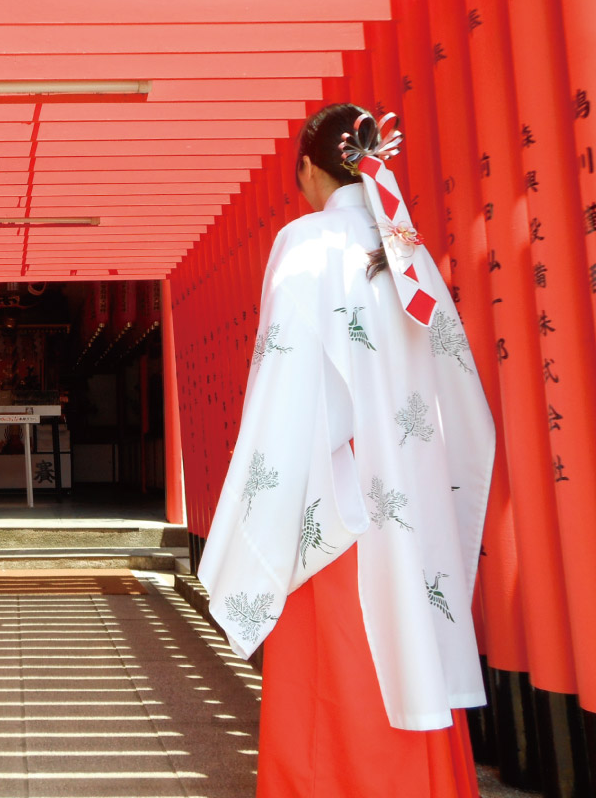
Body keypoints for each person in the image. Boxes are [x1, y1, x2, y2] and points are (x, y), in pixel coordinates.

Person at [196, 104, 495, 798]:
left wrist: (257, 511)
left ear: (307, 167)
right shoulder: (407, 249)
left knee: (336, 669)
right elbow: (457, 389)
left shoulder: (305, 244)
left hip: (339, 501)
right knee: (408, 652)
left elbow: (285, 382)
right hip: (409, 491)